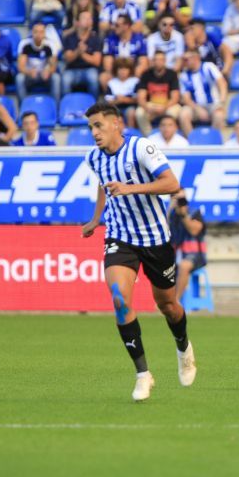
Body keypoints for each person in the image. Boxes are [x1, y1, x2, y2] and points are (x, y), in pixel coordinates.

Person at [81, 102, 195, 401]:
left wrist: (130, 188)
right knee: (119, 300)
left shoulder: (141, 148)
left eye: (98, 126)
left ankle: (183, 346)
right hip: (120, 237)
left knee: (167, 305)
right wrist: (96, 218)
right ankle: (143, 374)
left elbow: (172, 183)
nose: (94, 132)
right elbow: (103, 186)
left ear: (116, 123)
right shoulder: (93, 157)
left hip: (155, 238)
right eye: (90, 127)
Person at [168, 190, 207, 304]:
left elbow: (194, 230)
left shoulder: (195, 213)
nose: (180, 202)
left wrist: (184, 215)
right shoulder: (171, 215)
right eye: (177, 199)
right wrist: (171, 209)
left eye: (182, 199)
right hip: (175, 255)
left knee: (184, 266)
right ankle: (164, 301)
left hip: (195, 256)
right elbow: (164, 230)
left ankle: (175, 301)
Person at [178, 50, 228, 135]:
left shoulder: (208, 67)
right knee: (183, 115)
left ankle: (213, 141)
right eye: (183, 60)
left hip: (213, 104)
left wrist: (221, 101)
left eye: (186, 59)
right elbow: (186, 98)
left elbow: (221, 83)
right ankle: (192, 142)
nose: (184, 62)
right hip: (195, 106)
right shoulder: (184, 75)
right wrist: (197, 109)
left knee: (219, 116)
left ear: (196, 58)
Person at [135, 51, 181, 136]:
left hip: (168, 105)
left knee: (173, 112)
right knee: (139, 112)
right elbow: (141, 98)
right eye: (156, 60)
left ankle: (169, 137)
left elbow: (175, 97)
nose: (158, 62)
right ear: (152, 61)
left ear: (165, 61)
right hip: (151, 105)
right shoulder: (146, 75)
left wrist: (164, 107)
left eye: (161, 60)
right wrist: (148, 108)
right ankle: (149, 137)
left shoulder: (172, 74)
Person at [100, 14, 148, 91]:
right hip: (116, 72)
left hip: (133, 72)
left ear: (126, 26)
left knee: (142, 73)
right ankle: (111, 99)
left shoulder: (139, 40)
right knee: (104, 77)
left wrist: (131, 73)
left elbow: (143, 63)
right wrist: (119, 73)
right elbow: (107, 64)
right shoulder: (110, 40)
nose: (113, 27)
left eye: (117, 25)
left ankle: (134, 98)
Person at [15, 22, 61, 102]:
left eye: (41, 32)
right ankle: (23, 106)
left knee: (56, 78)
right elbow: (21, 67)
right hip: (30, 75)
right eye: (36, 32)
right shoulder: (24, 44)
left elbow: (53, 66)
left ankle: (55, 107)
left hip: (45, 75)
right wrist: (29, 72)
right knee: (19, 78)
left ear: (44, 34)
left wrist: (48, 71)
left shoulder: (50, 45)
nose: (38, 35)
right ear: (32, 33)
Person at [61, 9, 102, 98]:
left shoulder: (95, 38)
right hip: (72, 69)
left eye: (89, 18)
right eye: (84, 18)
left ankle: (94, 106)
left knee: (93, 78)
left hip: (89, 69)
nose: (88, 20)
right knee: (65, 79)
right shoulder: (69, 38)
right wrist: (78, 51)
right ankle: (65, 105)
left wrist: (82, 54)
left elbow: (97, 61)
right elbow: (67, 59)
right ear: (77, 22)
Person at [104, 58, 140, 127]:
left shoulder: (135, 81)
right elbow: (109, 101)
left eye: (126, 69)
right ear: (116, 70)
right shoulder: (111, 83)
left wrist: (124, 99)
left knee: (131, 112)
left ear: (130, 70)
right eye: (120, 69)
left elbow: (136, 99)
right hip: (115, 108)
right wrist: (118, 101)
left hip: (130, 107)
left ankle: (130, 132)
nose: (123, 71)